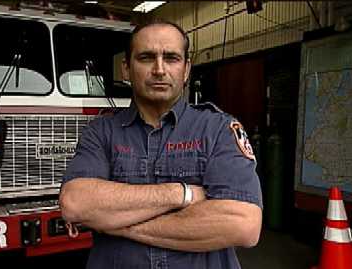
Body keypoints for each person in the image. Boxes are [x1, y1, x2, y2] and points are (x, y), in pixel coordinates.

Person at [59, 19, 262, 269]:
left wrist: (117, 224)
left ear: (186, 69)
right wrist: (182, 193)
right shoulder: (100, 133)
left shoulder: (218, 129)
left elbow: (243, 225)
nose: (159, 69)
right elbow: (75, 204)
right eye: (146, 57)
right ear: (126, 69)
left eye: (171, 58)